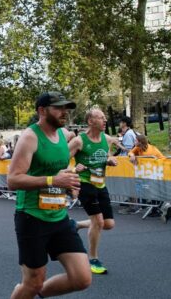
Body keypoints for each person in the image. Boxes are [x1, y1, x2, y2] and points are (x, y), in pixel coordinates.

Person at [8, 92, 90, 299]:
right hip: (32, 217)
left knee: (82, 279)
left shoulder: (64, 135)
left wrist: (69, 184)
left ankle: (37, 291)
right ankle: (32, 289)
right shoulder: (30, 137)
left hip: (59, 216)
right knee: (33, 281)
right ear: (42, 111)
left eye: (66, 108)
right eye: (59, 108)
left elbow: (58, 171)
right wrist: (54, 181)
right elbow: (13, 180)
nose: (65, 113)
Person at [68, 108, 120, 274]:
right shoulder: (79, 141)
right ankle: (93, 259)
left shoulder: (107, 139)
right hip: (85, 183)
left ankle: (76, 224)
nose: (105, 120)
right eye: (101, 117)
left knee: (109, 224)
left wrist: (110, 160)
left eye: (105, 117)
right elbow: (60, 161)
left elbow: (108, 155)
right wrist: (74, 169)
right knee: (98, 221)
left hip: (100, 184)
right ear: (91, 121)